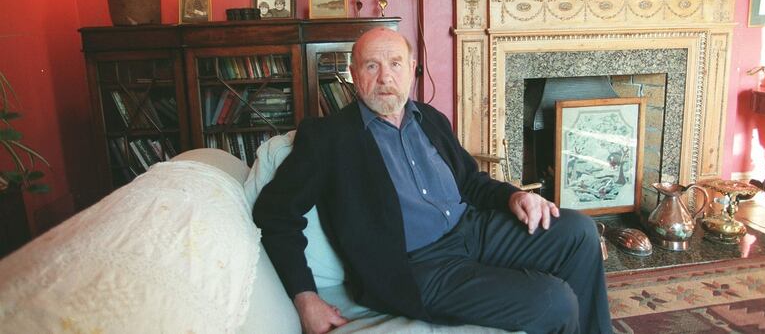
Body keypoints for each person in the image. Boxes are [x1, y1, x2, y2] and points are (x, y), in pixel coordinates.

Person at [253, 27, 611, 334]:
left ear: (411, 69)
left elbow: (470, 182)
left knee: (578, 231)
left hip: (472, 230)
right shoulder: (326, 138)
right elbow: (275, 214)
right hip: (418, 267)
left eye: (395, 64)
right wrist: (304, 296)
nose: (385, 78)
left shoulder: (431, 119)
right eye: (371, 66)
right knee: (555, 301)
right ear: (353, 74)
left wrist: (514, 197)